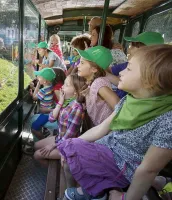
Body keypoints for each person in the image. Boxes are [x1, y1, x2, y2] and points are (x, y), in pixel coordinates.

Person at [59, 44, 172, 200]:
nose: (122, 71)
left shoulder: (168, 121)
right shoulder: (130, 100)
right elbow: (102, 128)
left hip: (122, 166)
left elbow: (147, 169)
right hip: (108, 150)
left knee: (69, 152)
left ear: (150, 80)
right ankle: (92, 190)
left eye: (129, 68)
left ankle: (94, 192)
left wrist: (125, 198)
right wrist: (72, 143)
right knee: (68, 149)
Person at [33, 73, 86, 166]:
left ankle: (54, 169)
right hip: (60, 138)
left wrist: (53, 145)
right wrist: (60, 103)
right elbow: (51, 118)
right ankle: (53, 160)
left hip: (68, 145)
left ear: (75, 92)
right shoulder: (65, 102)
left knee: (37, 155)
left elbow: (70, 135)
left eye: (66, 85)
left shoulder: (76, 109)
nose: (62, 86)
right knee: (35, 146)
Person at [106, 31, 165, 99]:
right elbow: (110, 70)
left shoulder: (149, 75)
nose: (128, 49)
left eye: (133, 45)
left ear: (146, 51)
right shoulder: (127, 64)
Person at [76, 46, 120, 126]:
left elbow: (117, 105)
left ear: (94, 69)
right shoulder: (93, 82)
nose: (78, 65)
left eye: (82, 63)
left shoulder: (99, 83)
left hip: (105, 131)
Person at [31, 68, 56, 140]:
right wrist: (34, 87)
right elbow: (42, 94)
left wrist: (37, 85)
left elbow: (34, 97)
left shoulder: (43, 90)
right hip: (49, 110)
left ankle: (43, 141)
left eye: (39, 77)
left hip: (45, 114)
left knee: (34, 128)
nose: (38, 78)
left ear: (44, 81)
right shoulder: (50, 87)